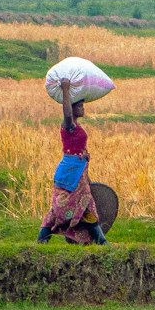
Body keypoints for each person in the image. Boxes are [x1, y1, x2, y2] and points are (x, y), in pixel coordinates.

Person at [38, 82, 107, 244]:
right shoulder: (68, 125)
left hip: (79, 171)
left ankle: (101, 241)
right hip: (69, 172)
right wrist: (66, 89)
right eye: (80, 106)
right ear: (72, 107)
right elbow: (67, 115)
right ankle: (42, 240)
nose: (83, 109)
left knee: (87, 206)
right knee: (58, 209)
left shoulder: (77, 126)